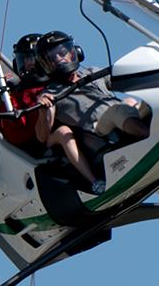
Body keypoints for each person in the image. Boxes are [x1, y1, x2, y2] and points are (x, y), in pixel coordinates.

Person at [32, 31, 149, 194]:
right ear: (45, 65)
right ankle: (150, 137)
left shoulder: (92, 72)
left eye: (62, 53)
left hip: (121, 115)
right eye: (52, 57)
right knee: (119, 109)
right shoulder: (51, 93)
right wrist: (43, 110)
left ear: (74, 52)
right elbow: (42, 136)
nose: (59, 59)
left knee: (132, 101)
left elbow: (127, 81)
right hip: (99, 129)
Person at [0, 33, 47, 153]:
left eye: (33, 57)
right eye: (25, 58)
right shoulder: (16, 97)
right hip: (45, 144)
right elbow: (15, 136)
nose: (30, 63)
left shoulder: (61, 81)